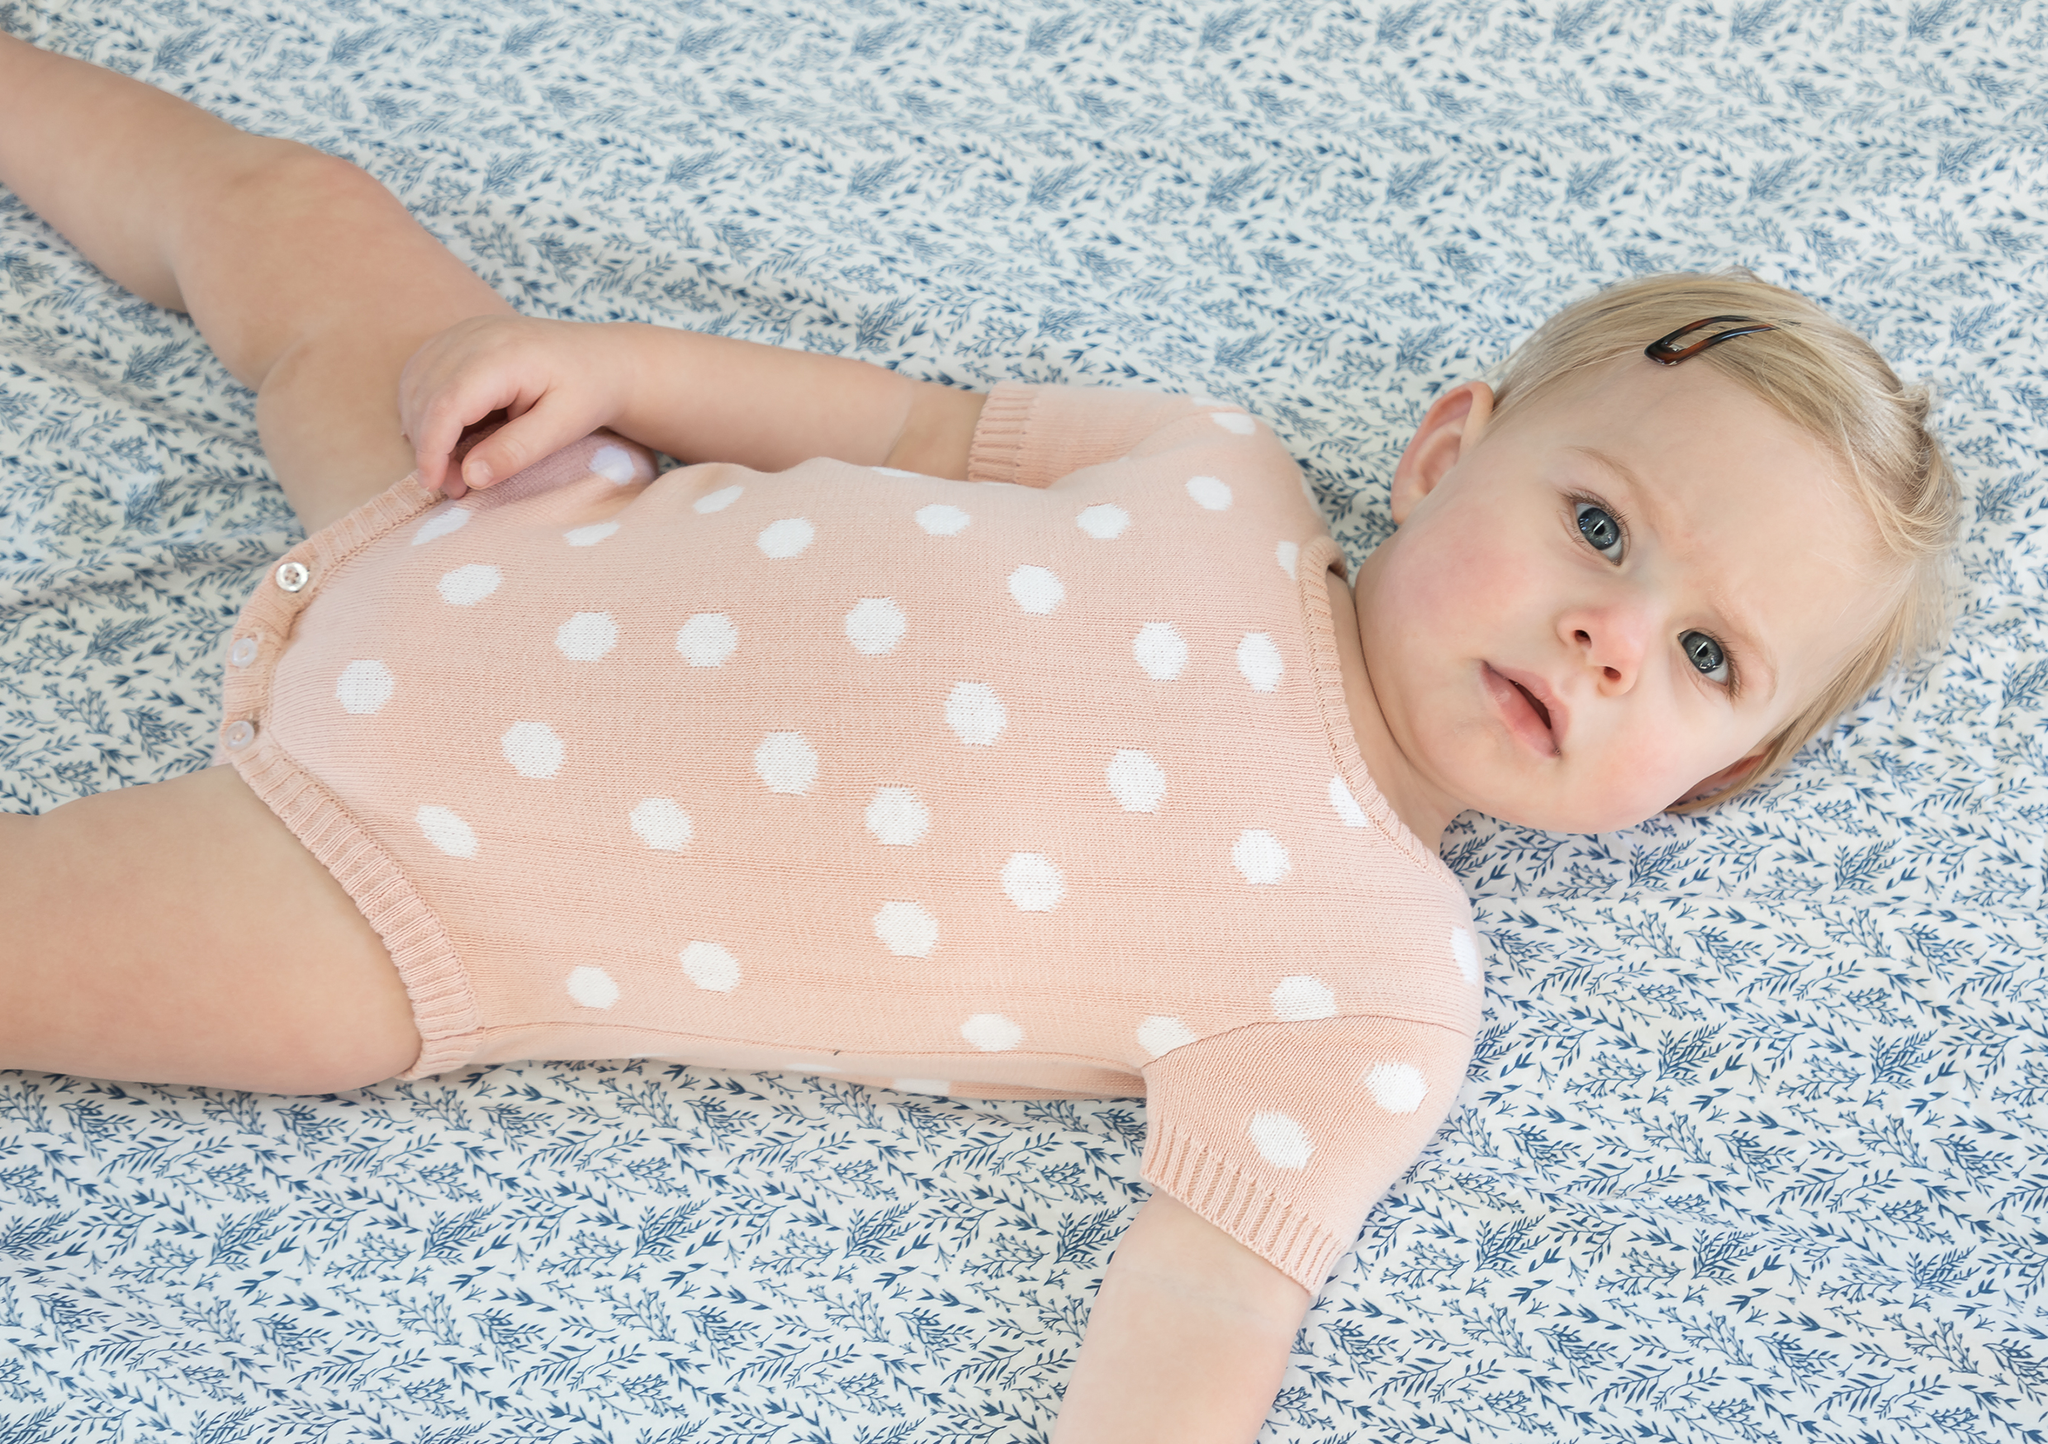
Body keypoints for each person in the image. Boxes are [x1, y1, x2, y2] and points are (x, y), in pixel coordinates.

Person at [0, 31, 1958, 1443]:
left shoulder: (1369, 984)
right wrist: (612, 367)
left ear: (1713, 783)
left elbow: (1203, 1300)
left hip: (388, 897)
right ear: (1447, 451)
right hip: (504, 494)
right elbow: (905, 423)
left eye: (1705, 658)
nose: (1608, 635)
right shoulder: (1214, 470)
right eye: (1597, 527)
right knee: (288, 211)